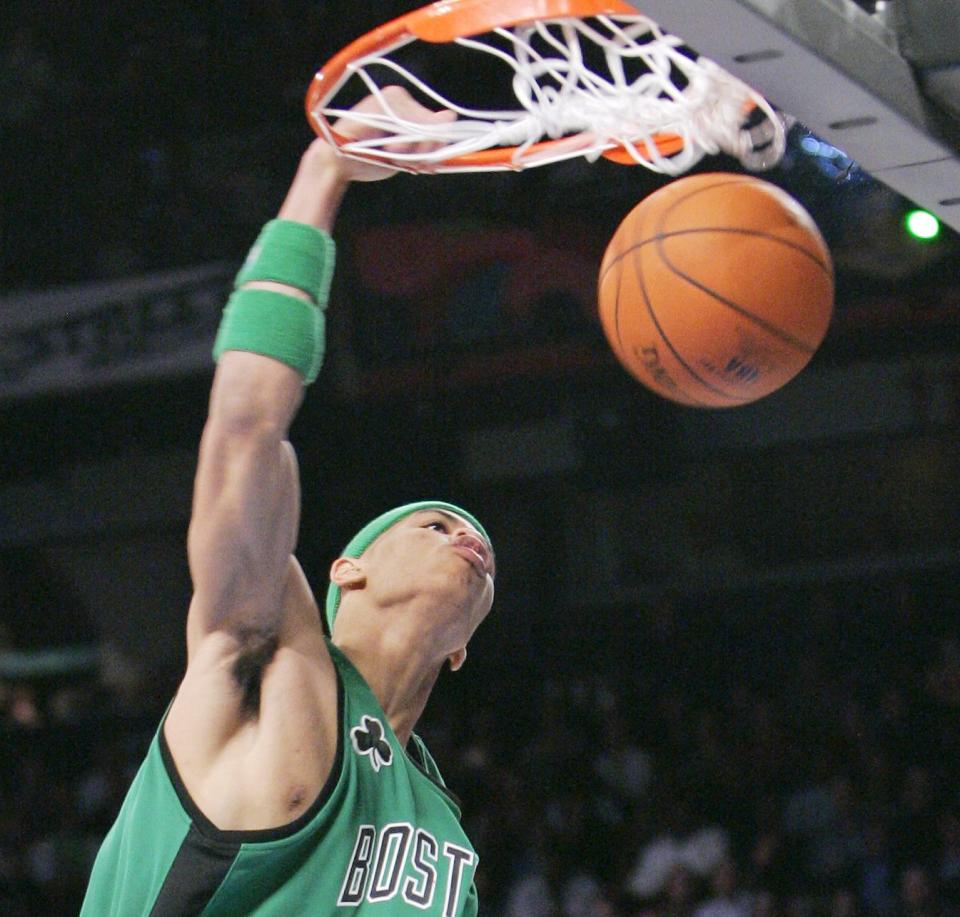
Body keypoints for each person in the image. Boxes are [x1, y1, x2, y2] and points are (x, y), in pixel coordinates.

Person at [80, 88, 497, 915]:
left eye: (476, 537)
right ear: (351, 568)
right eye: (435, 522)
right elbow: (245, 425)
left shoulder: (450, 840)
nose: (464, 537)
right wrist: (325, 173)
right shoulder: (264, 652)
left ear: (463, 650)